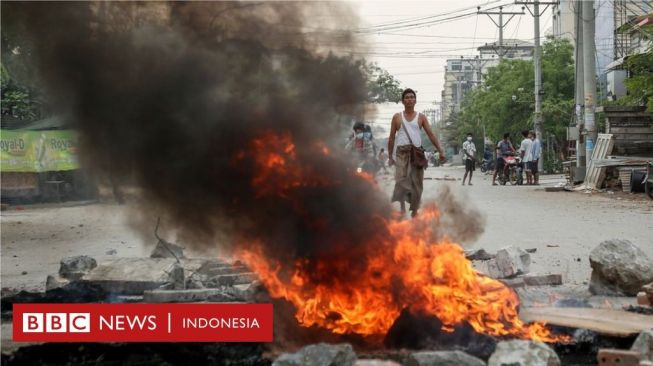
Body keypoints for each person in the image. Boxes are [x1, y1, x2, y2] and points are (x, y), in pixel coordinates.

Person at [388, 88, 446, 217]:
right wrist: (390, 156)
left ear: (415, 100)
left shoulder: (421, 117)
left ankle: (414, 209)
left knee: (417, 183)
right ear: (403, 101)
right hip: (401, 153)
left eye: (411, 97)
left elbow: (431, 135)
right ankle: (402, 206)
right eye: (407, 97)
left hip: (417, 154)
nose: (409, 99)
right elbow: (391, 137)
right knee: (401, 180)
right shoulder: (397, 117)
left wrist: (440, 150)